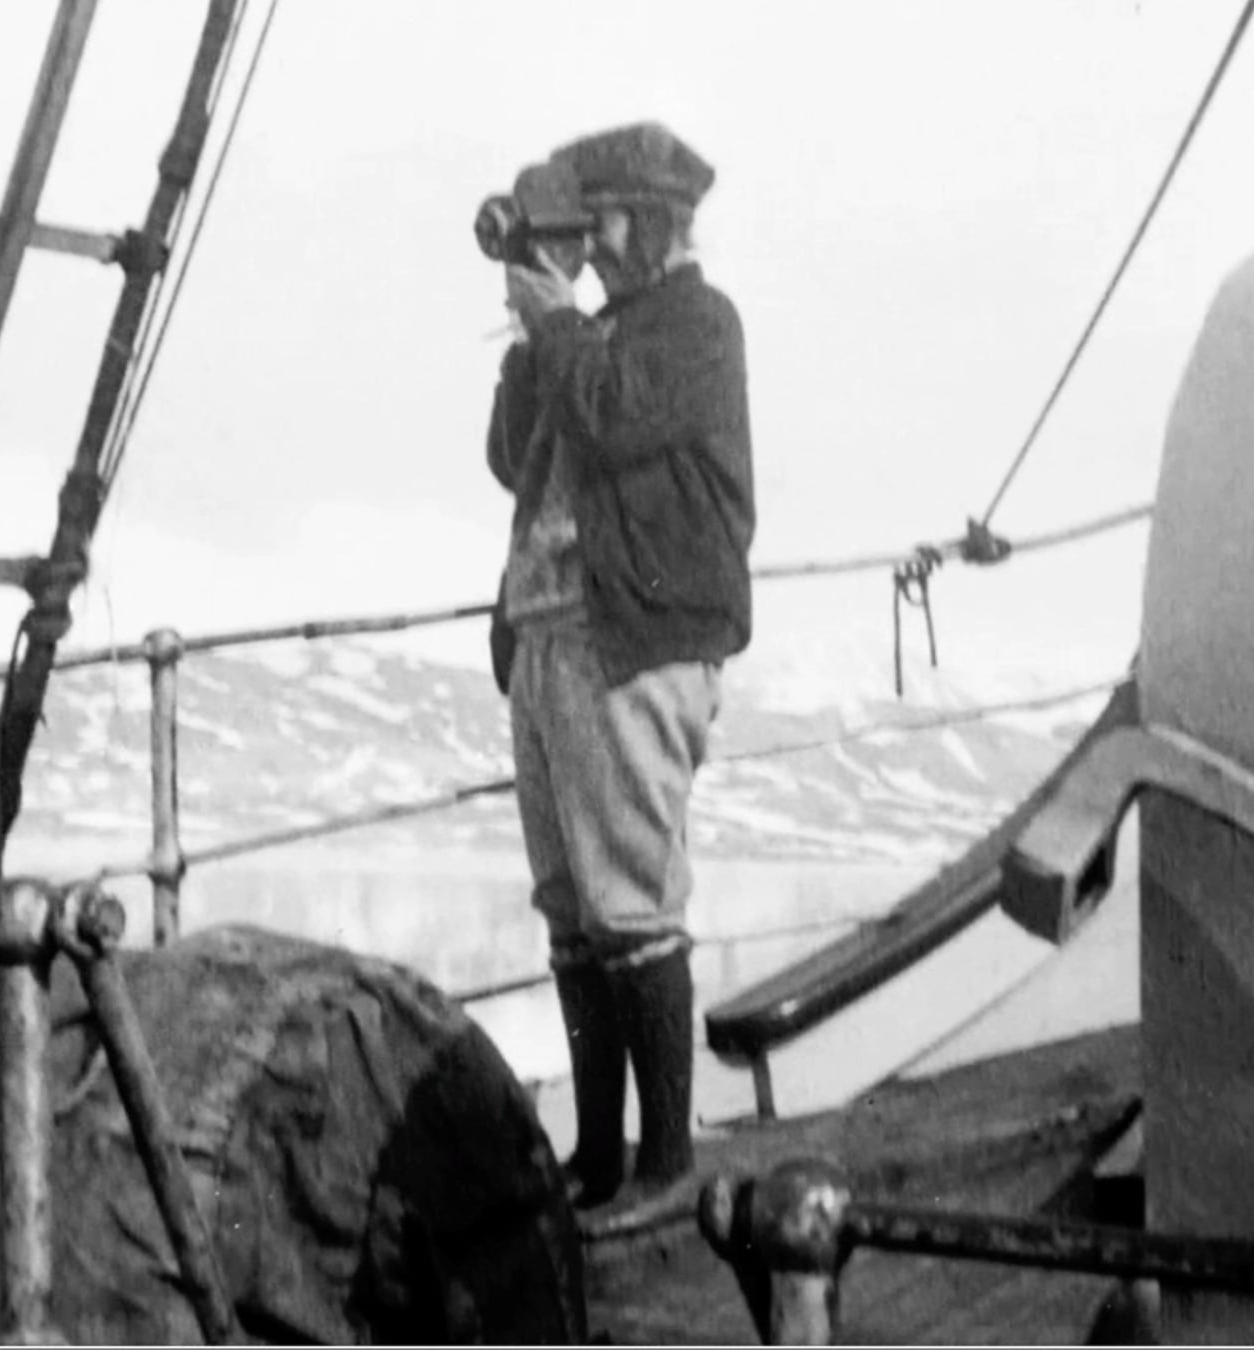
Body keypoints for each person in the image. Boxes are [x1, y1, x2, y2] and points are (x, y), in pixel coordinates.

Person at [483, 122, 754, 1211]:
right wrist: (532, 330)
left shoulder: (699, 325)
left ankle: (666, 1163)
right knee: (573, 909)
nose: (588, 247)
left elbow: (609, 415)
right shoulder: (591, 333)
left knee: (631, 903)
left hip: (631, 643)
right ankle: (598, 1158)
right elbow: (511, 454)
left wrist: (559, 325)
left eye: (599, 224)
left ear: (650, 221)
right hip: (553, 636)